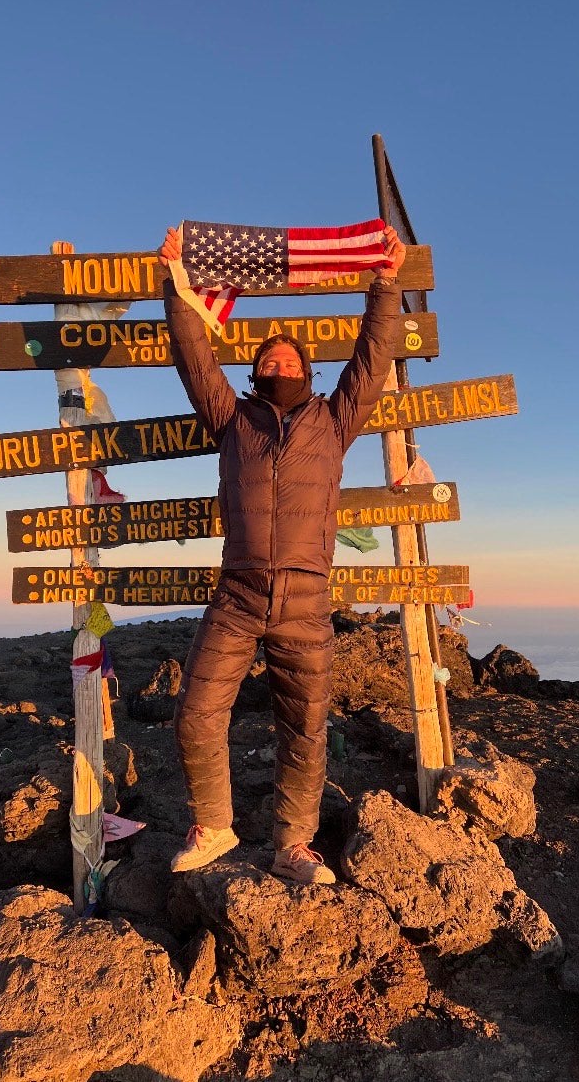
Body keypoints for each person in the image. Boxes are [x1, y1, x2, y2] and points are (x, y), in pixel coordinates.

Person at [158, 224, 406, 883]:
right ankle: (214, 824)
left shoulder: (335, 420)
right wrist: (175, 282)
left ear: (308, 370)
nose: (280, 362)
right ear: (256, 371)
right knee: (195, 714)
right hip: (236, 600)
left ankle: (292, 844)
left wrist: (385, 283)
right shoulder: (231, 419)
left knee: (305, 731)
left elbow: (374, 356)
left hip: (306, 607)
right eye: (270, 358)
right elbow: (193, 356)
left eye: (291, 358)